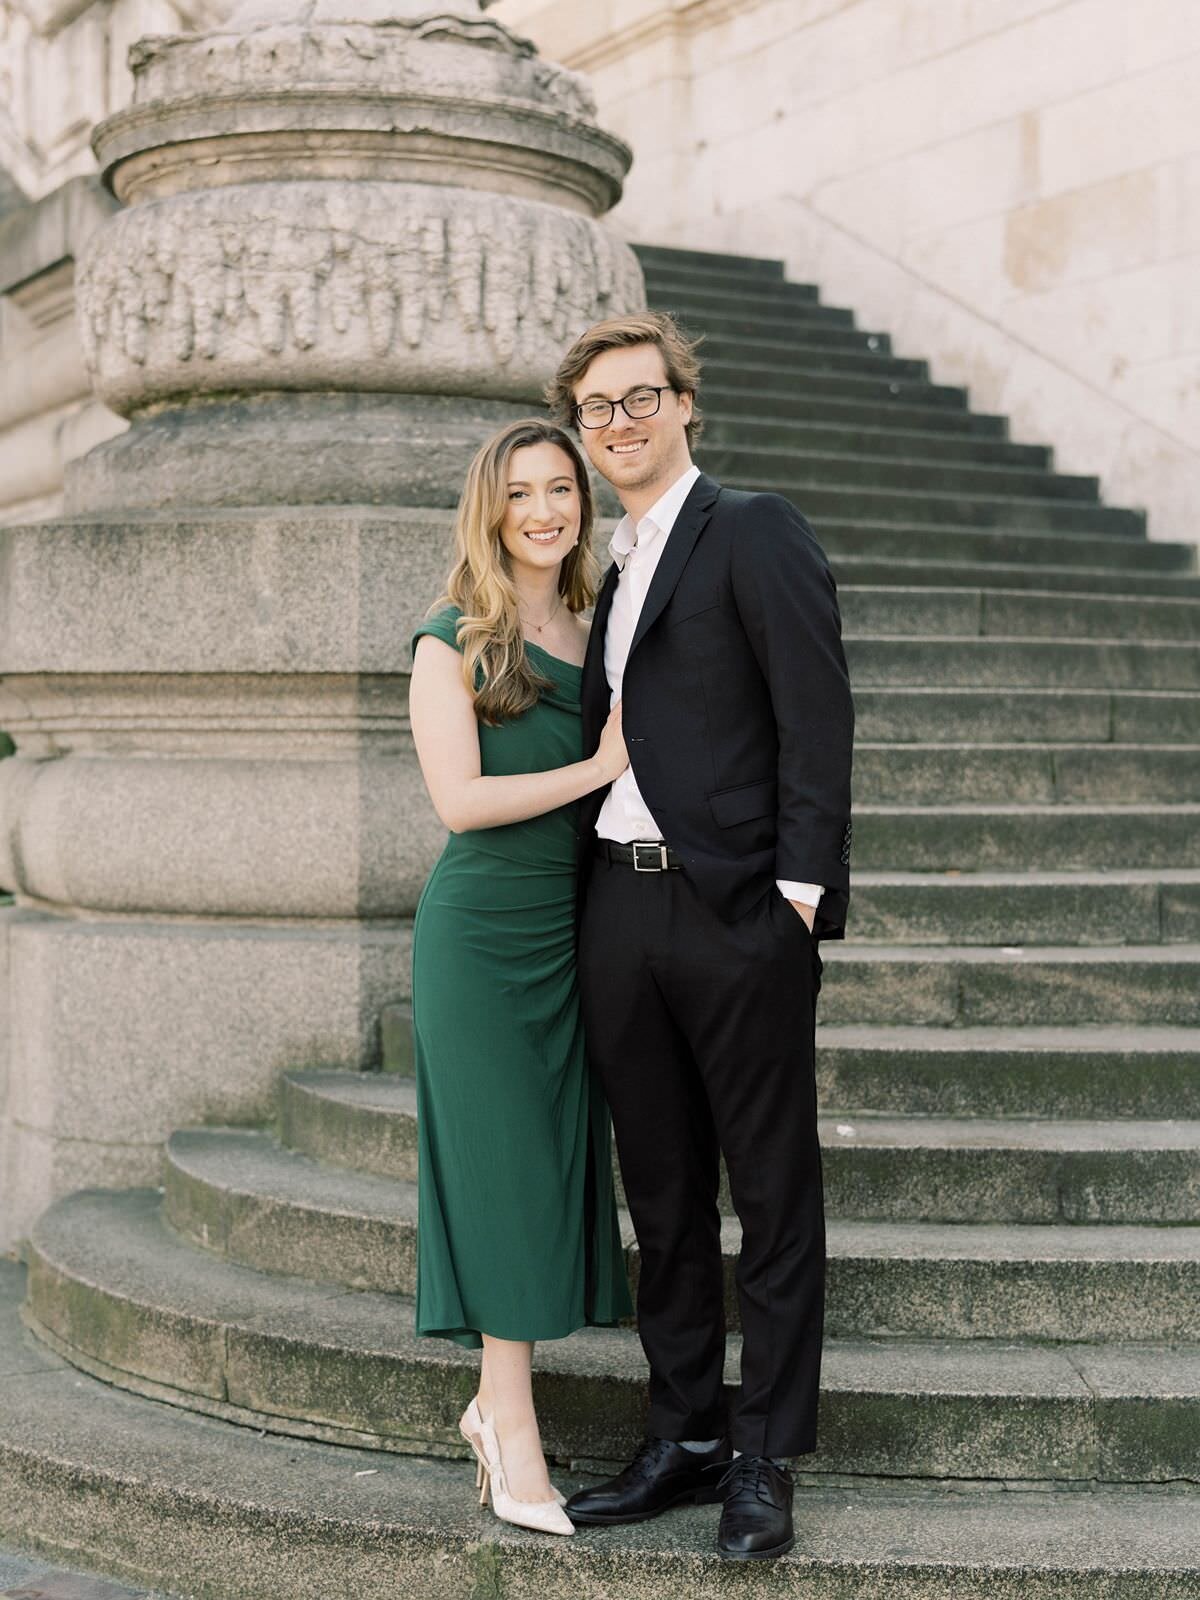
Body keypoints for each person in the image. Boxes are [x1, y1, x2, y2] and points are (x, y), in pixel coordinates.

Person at [547, 311, 854, 1562]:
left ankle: (765, 1457)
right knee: (660, 1192)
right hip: (621, 907)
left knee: (770, 1191)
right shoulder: (610, 567)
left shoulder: (754, 528)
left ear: (686, 404)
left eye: (639, 398)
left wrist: (795, 896)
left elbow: (814, 715)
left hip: (736, 912)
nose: (618, 424)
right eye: (597, 410)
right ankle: (684, 1433)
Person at [408, 417, 633, 1537]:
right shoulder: (453, 638)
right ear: (489, 511)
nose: (544, 510)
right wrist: (596, 765)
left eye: (561, 489)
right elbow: (457, 802)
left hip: (576, 928)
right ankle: (507, 1418)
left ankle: (499, 1411)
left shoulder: (601, 626)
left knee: (549, 1164)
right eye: (521, 494)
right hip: (482, 938)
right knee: (504, 1169)